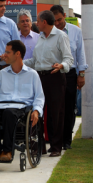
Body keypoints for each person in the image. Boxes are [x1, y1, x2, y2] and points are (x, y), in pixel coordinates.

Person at [0, 40, 44, 161]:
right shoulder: (2, 74)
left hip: (20, 107)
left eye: (8, 52)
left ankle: (7, 150)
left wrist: (36, 110)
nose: (4, 55)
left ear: (17, 54)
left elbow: (39, 96)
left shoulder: (32, 74)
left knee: (9, 113)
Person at [24, 10, 73, 157]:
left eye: (38, 21)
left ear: (44, 22)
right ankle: (39, 146)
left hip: (55, 77)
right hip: (39, 77)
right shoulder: (40, 37)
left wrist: (61, 66)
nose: (36, 24)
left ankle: (56, 146)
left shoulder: (61, 36)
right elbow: (34, 61)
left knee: (55, 113)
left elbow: (69, 59)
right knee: (37, 111)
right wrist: (18, 63)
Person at [50, 5, 88, 150]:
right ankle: (54, 141)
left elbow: (80, 55)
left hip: (70, 73)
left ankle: (66, 140)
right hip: (53, 73)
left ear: (64, 15)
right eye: (55, 21)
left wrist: (81, 75)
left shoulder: (75, 32)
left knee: (68, 107)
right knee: (54, 107)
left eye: (59, 19)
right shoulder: (49, 32)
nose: (57, 23)